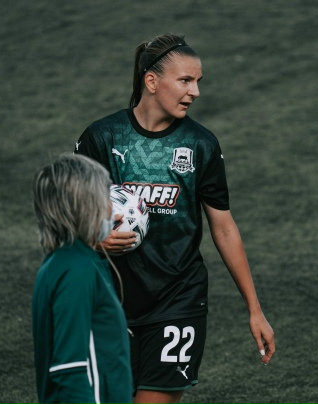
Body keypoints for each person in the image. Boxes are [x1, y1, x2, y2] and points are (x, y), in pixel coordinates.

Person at [74, 33, 275, 404]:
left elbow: (224, 229)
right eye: (185, 80)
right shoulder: (102, 137)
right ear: (152, 81)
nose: (195, 92)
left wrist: (254, 308)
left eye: (198, 81)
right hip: (108, 300)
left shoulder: (201, 145)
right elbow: (69, 214)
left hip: (178, 301)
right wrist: (93, 238)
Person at [31, 153, 133, 404]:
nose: (111, 208)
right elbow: (70, 369)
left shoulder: (59, 264)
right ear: (86, 207)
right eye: (105, 198)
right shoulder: (77, 271)